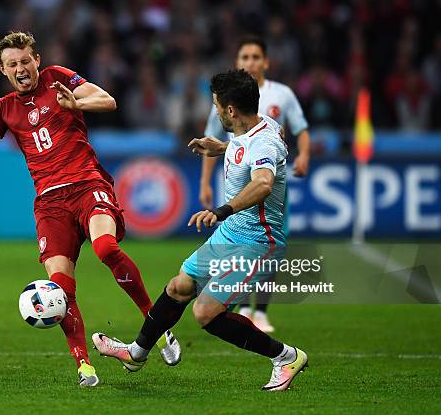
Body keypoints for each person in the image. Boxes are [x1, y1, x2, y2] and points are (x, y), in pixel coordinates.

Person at [0, 31, 180, 387]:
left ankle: (158, 326)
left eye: (25, 61)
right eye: (12, 64)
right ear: (3, 70)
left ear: (37, 60)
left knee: (106, 248)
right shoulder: (3, 109)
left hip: (87, 184)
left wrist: (78, 105)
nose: (21, 68)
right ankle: (85, 367)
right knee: (59, 287)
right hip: (50, 203)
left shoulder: (58, 78)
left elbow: (107, 101)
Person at [93, 70, 308, 392]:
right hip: (232, 235)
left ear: (231, 110)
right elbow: (256, 149)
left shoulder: (263, 141)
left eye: (217, 105)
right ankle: (136, 353)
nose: (215, 111)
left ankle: (286, 357)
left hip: (257, 242)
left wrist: (220, 211)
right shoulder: (258, 128)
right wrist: (224, 147)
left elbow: (263, 182)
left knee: (206, 312)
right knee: (180, 286)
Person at [199, 35, 310, 332]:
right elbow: (216, 142)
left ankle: (259, 309)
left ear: (265, 62)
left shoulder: (281, 95)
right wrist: (205, 181)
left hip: (269, 177)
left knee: (267, 242)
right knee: (241, 240)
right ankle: (240, 305)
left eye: (255, 57)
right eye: (244, 57)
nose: (250, 62)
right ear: (238, 62)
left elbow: (299, 129)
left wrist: (304, 155)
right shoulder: (223, 100)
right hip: (238, 178)